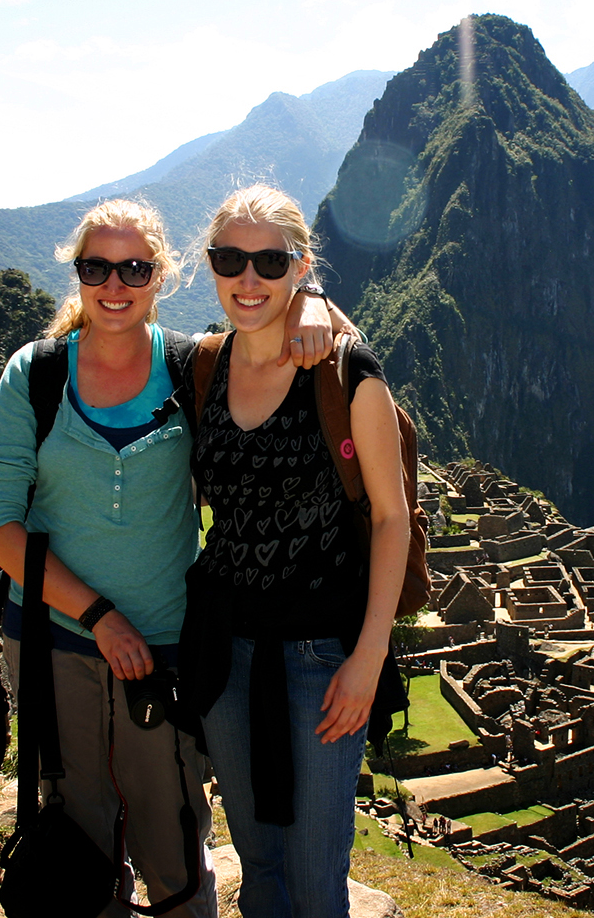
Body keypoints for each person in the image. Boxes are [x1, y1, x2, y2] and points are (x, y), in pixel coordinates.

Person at [0, 197, 334, 918]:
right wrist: (100, 616)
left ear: (161, 276)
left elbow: (274, 319)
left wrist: (317, 299)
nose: (115, 284)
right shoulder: (36, 375)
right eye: (96, 268)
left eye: (134, 268)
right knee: (77, 827)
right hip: (55, 641)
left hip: (169, 646)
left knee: (172, 831)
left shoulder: (192, 367)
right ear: (76, 276)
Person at [178, 185, 408, 918]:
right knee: (260, 863)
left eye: (270, 262)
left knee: (314, 879)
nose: (249, 280)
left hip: (320, 658)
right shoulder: (202, 369)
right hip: (226, 649)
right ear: (209, 265)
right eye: (230, 259)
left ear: (300, 266)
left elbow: (390, 520)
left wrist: (368, 658)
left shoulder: (344, 374)